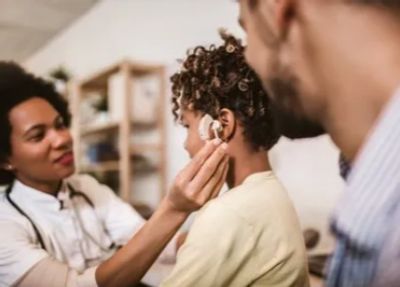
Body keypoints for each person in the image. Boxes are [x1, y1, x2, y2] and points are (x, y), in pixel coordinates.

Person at [0, 61, 229, 287]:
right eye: (37, 136)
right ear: (5, 160)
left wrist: (223, 239)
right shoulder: (5, 225)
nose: (62, 139)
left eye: (60, 125)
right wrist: (174, 208)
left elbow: (149, 241)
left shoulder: (86, 187)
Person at [238, 0, 400, 286]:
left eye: (245, 28)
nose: (248, 57)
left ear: (276, 8)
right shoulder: (371, 191)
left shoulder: (389, 239)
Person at [161, 32, 309, 287]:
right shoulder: (270, 192)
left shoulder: (228, 214)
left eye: (187, 126)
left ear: (222, 125)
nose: (186, 144)